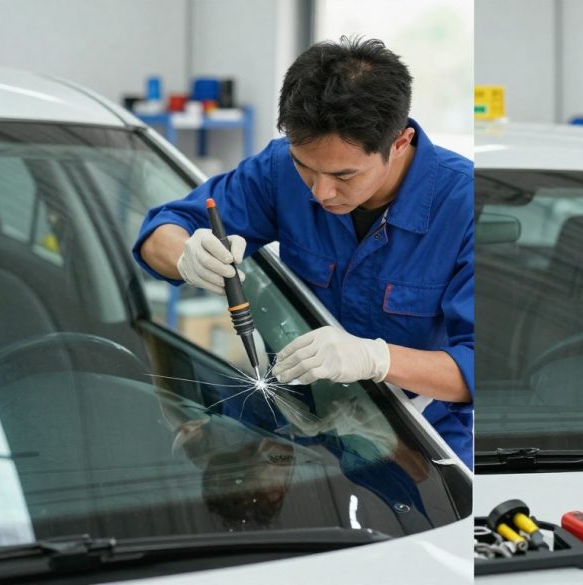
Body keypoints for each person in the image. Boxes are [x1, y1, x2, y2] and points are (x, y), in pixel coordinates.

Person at [133, 37, 473, 467]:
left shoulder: (464, 204)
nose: (321, 192)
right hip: (308, 430)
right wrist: (186, 254)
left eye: (344, 175)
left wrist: (375, 358)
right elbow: (159, 231)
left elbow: (477, 366)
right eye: (305, 168)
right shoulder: (278, 169)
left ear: (400, 142)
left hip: (423, 443)